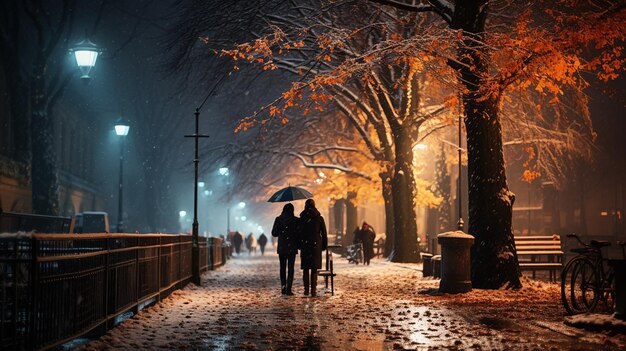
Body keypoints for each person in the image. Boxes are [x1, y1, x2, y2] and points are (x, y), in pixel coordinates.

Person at [298, 199, 327, 297]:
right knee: (314, 268)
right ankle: (313, 290)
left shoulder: (302, 218)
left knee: (306, 268)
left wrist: (299, 245)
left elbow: (299, 233)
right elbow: (324, 233)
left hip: (305, 245)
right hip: (315, 245)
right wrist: (324, 245)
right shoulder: (319, 218)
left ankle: (306, 290)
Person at [271, 203, 299, 295]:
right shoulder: (296, 220)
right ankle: (289, 289)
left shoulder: (278, 219)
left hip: (282, 247)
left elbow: (274, 233)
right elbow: (299, 233)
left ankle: (283, 287)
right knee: (291, 268)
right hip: (292, 246)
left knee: (282, 267)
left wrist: (281, 231)